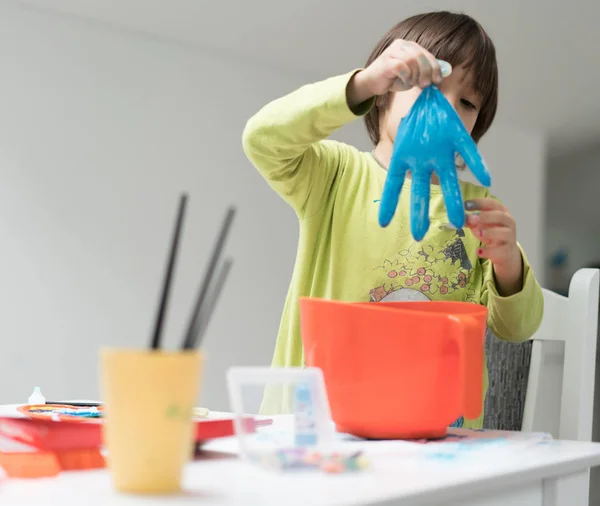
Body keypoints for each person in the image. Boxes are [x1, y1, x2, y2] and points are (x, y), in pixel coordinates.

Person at [242, 11, 544, 428]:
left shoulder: (476, 209)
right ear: (384, 92)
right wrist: (361, 82)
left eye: (468, 102)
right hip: (316, 429)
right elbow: (262, 139)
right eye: (428, 85)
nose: (447, 109)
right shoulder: (335, 174)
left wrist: (509, 263)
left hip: (434, 438)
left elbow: (519, 327)